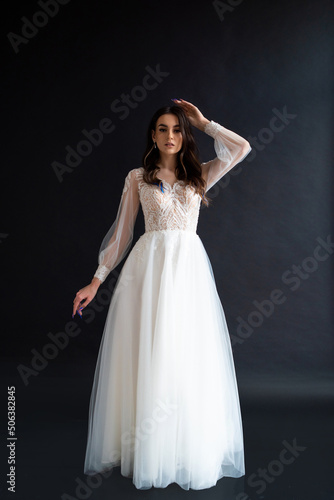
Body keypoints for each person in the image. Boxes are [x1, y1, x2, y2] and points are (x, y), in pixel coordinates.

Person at [72, 98, 252, 490]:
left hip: (187, 274)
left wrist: (204, 122)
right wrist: (97, 280)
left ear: (183, 135)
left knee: (184, 353)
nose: (170, 136)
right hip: (148, 272)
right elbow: (121, 235)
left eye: (176, 129)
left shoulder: (200, 175)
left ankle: (184, 445)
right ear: (153, 136)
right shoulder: (137, 177)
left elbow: (241, 149)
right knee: (150, 351)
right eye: (162, 129)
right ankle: (148, 448)